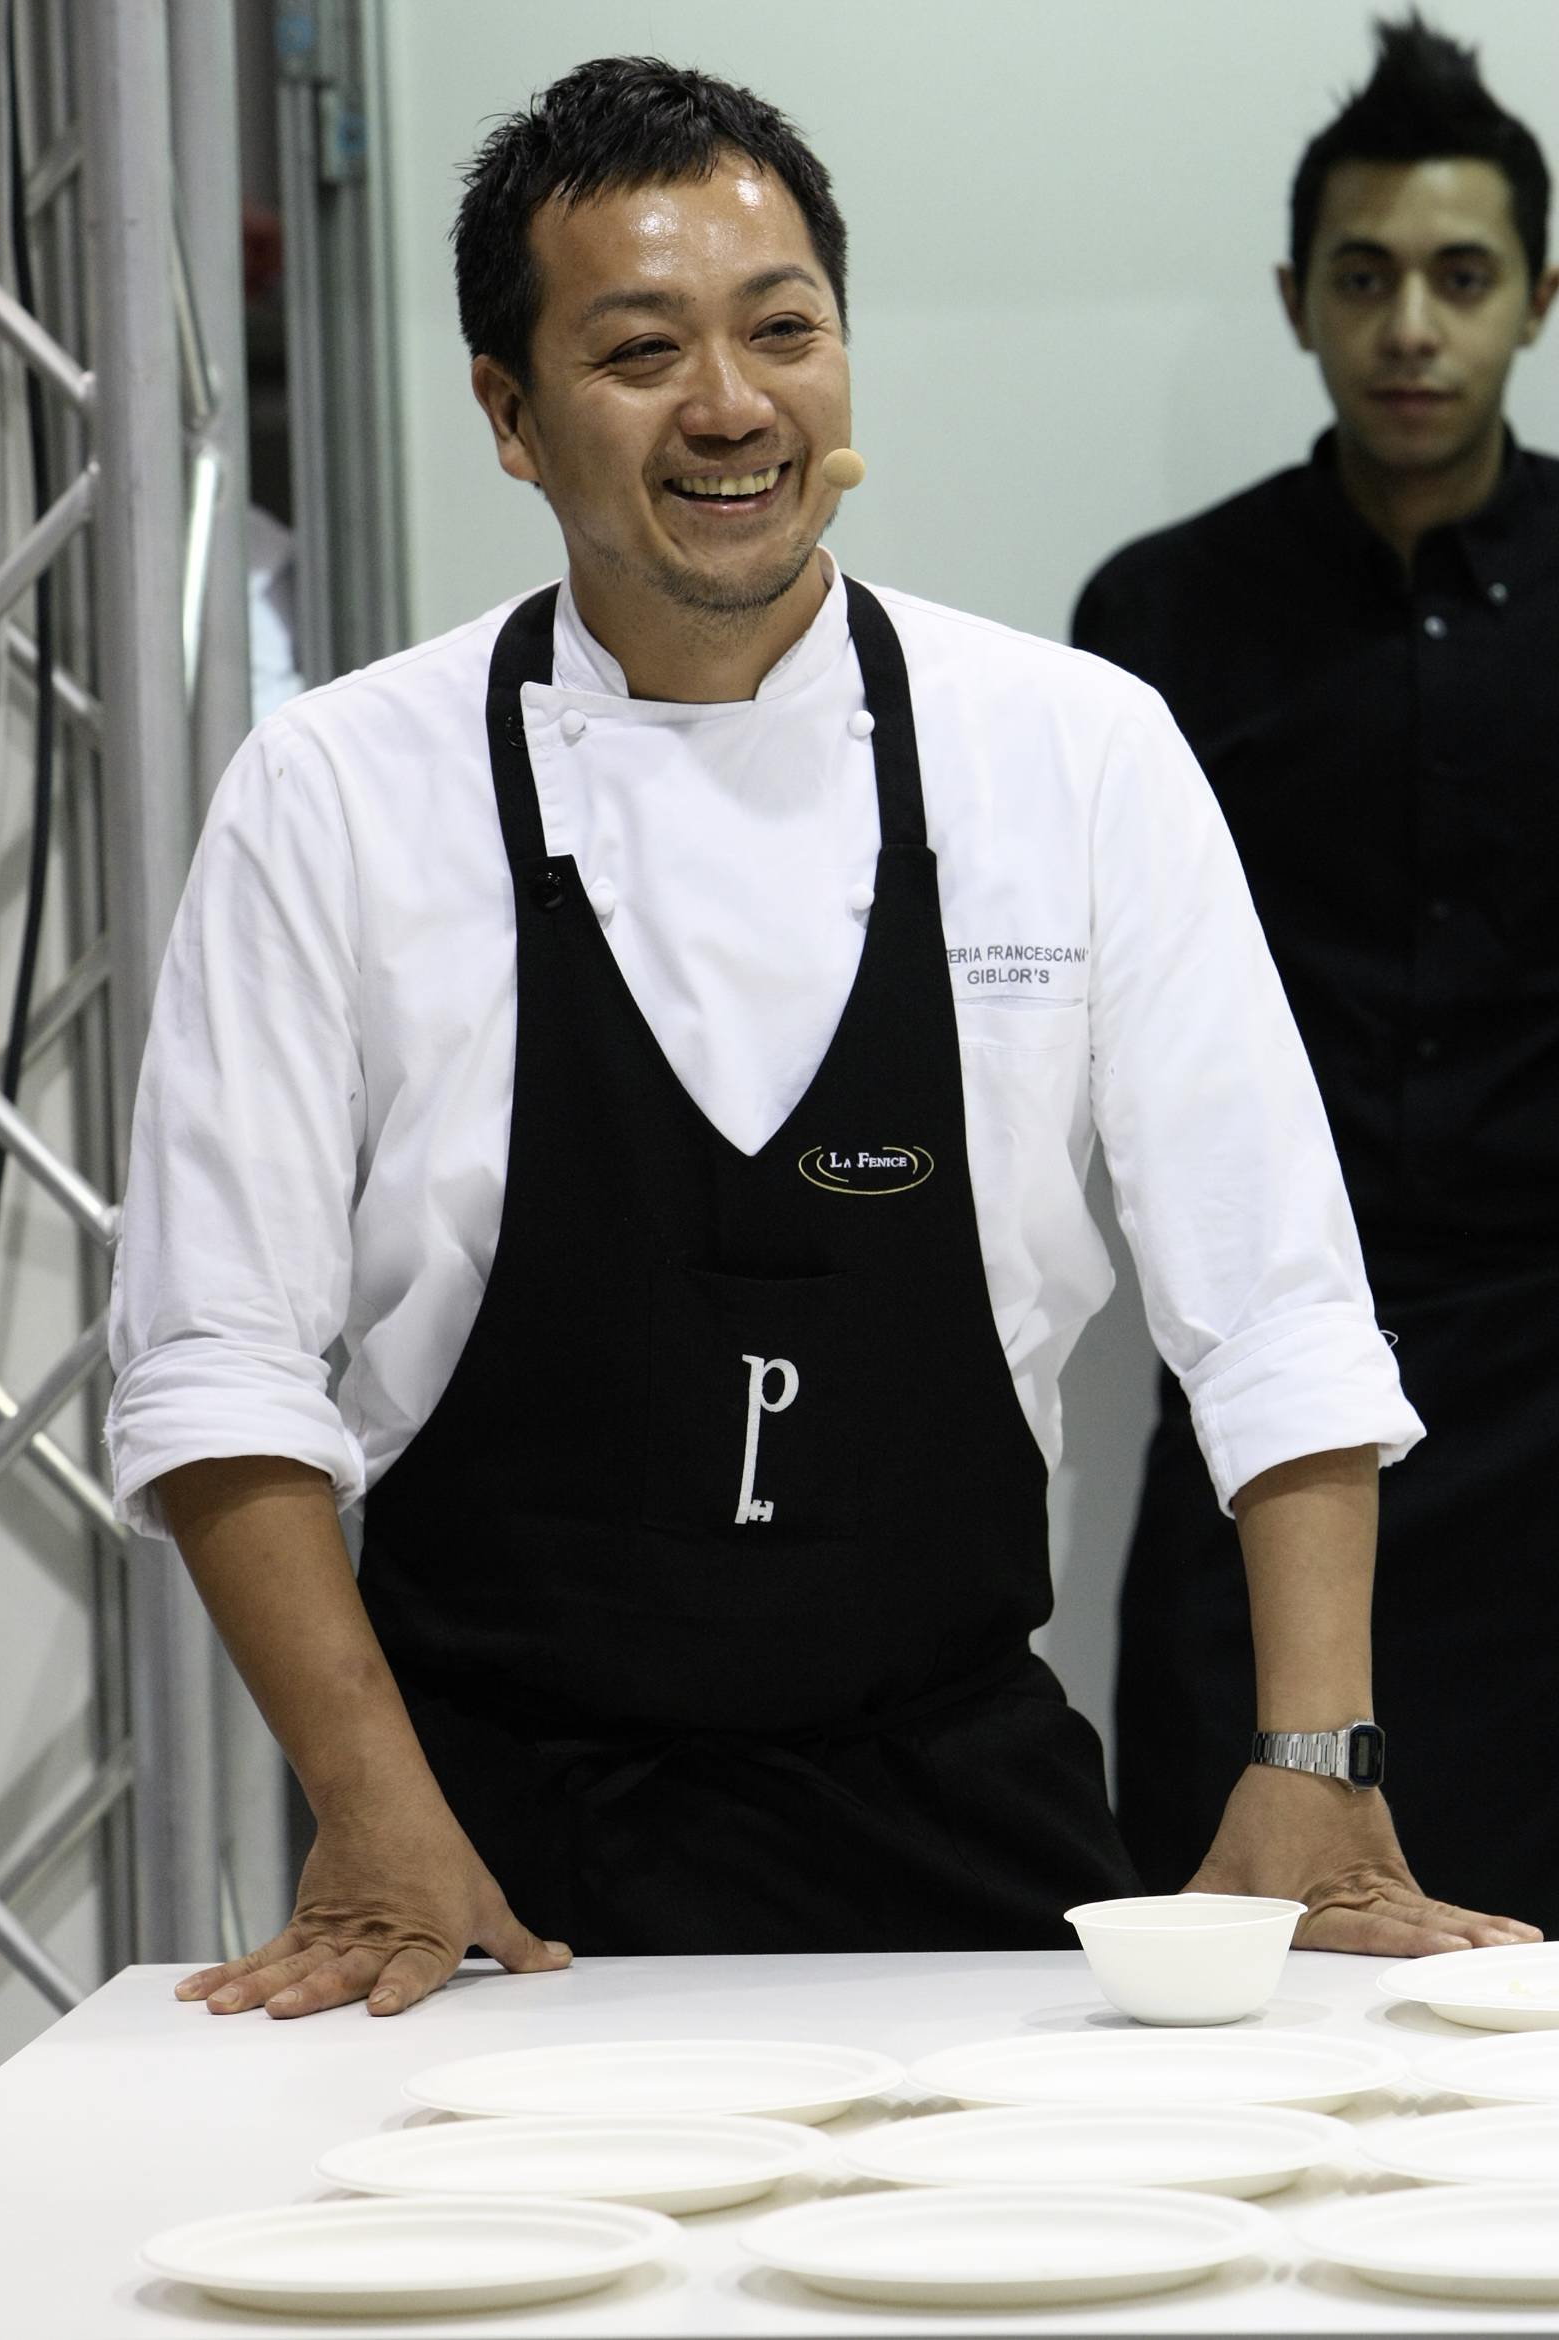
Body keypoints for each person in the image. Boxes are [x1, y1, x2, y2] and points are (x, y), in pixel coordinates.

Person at [107, 55, 1533, 2025]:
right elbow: (215, 1365)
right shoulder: (337, 790)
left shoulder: (1070, 752)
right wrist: (370, 1805)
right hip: (481, 1867)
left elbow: (1276, 1304)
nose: (731, 405)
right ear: (508, 415)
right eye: (640, 351)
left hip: (969, 1828)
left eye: (783, 331)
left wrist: (1317, 1757)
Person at [1073, 15, 1559, 1929]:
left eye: (1461, 277)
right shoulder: (1161, 616)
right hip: (1262, 1411)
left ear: (1539, 298)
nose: (1410, 329)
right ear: (1297, 300)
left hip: (1549, 1383)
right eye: (1363, 278)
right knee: (1229, 1951)